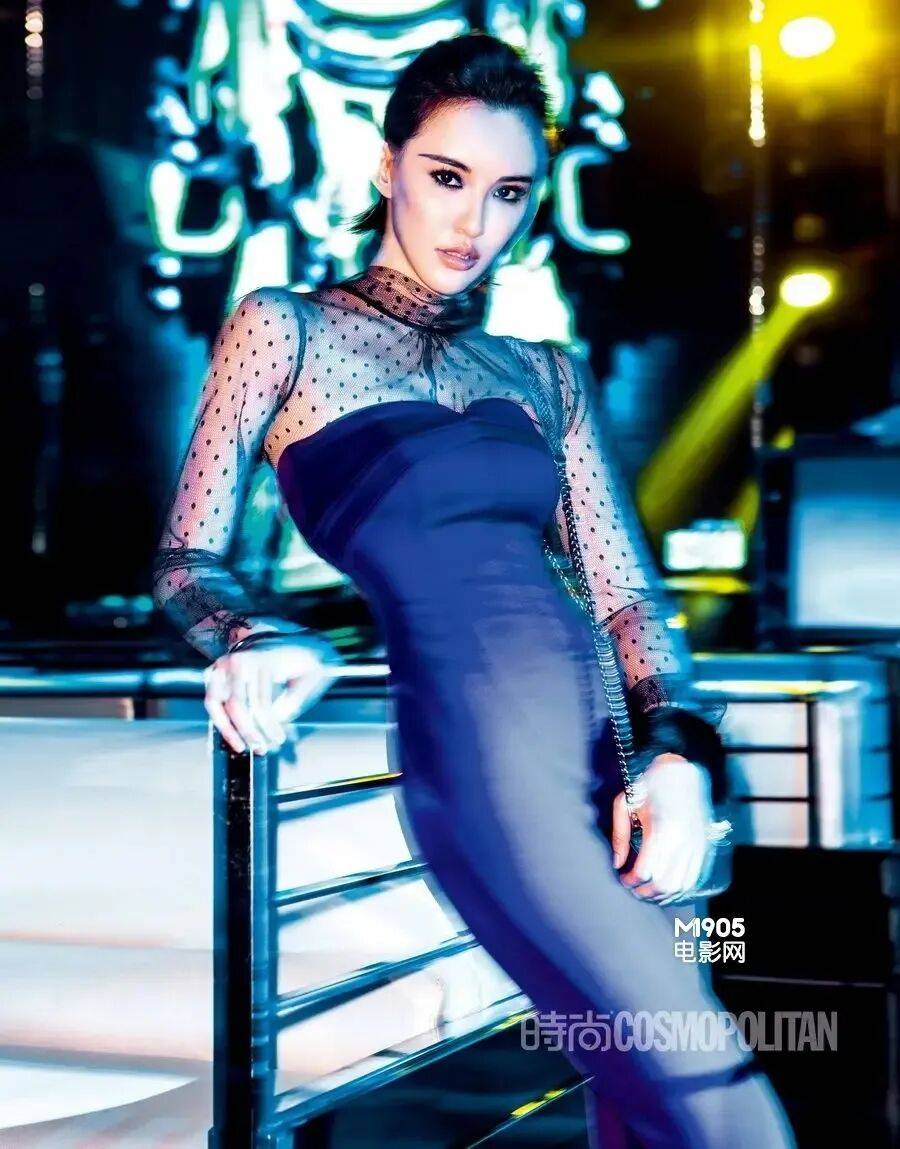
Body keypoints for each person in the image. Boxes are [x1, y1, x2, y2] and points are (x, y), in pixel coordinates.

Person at [153, 31, 796, 1149]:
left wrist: (679, 754)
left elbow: (627, 596)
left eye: (509, 193)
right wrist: (250, 634)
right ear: (385, 166)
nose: (475, 222)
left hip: (629, 770)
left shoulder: (545, 371)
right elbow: (184, 560)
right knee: (716, 1096)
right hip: (489, 760)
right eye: (448, 177)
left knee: (645, 1105)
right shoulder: (285, 327)